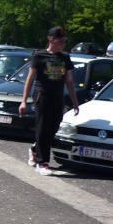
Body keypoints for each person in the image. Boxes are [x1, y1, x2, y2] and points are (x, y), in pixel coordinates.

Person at [19, 26, 79, 176]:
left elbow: (69, 81)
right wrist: (24, 101)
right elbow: (30, 79)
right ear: (51, 40)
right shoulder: (39, 56)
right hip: (42, 95)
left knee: (54, 127)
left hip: (58, 97)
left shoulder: (65, 57)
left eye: (64, 41)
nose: (62, 44)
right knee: (43, 128)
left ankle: (35, 149)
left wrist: (75, 102)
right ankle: (42, 162)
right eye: (60, 41)